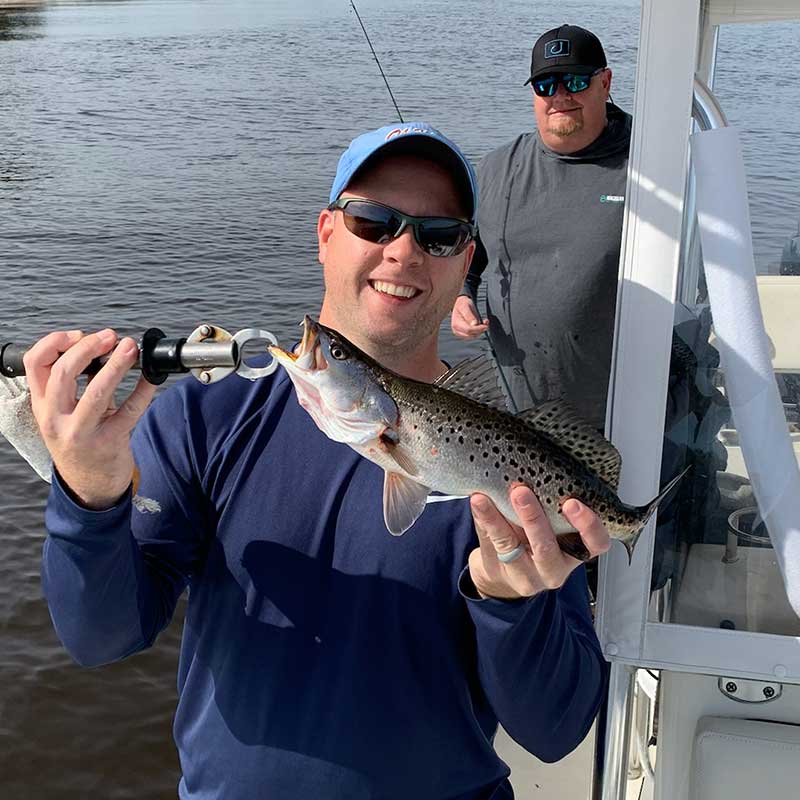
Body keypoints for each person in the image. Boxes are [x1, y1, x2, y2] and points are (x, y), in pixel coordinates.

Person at [26, 122, 611, 799]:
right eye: (373, 222)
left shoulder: (508, 455)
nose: (404, 252)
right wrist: (89, 497)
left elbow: (556, 727)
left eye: (438, 234)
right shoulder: (202, 419)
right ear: (326, 232)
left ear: (465, 259)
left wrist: (510, 599)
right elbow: (101, 637)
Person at [451, 24, 631, 428]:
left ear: (605, 82)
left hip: (627, 412)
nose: (560, 97)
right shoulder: (497, 167)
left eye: (575, 81)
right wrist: (461, 295)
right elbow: (471, 252)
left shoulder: (649, 164)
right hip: (518, 414)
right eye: (546, 85)